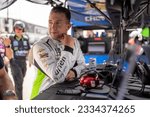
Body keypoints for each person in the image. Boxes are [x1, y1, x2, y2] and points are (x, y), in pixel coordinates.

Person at [30, 6, 86, 99]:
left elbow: (83, 65)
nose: (52, 27)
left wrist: (75, 72)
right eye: (50, 22)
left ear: (68, 26)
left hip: (65, 94)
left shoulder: (74, 42)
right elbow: (58, 77)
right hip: (42, 97)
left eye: (58, 23)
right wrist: (68, 48)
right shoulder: (40, 46)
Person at [5, 21, 31, 100]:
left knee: (20, 81)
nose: (18, 30)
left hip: (23, 63)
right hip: (14, 62)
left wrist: (30, 60)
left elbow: (29, 50)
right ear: (14, 29)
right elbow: (4, 40)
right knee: (19, 82)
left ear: (23, 30)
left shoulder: (26, 38)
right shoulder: (11, 38)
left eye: (20, 28)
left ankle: (14, 94)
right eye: (16, 28)